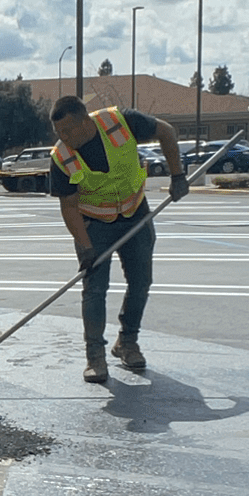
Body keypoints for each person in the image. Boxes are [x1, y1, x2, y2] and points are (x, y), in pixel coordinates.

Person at [47, 94, 186, 384]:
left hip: (135, 213)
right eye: (59, 133)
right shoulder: (61, 157)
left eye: (68, 130)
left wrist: (177, 175)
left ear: (85, 120)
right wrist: (84, 245)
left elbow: (166, 131)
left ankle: (127, 342)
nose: (65, 138)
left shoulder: (119, 122)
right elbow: (69, 207)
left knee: (141, 281)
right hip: (93, 224)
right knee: (95, 289)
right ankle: (94, 357)